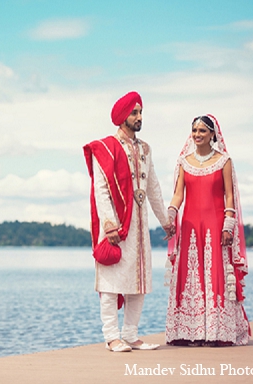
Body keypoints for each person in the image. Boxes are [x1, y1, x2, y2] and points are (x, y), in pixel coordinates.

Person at [83, 91, 174, 352]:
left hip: (139, 225)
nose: (139, 117)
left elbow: (153, 187)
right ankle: (112, 337)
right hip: (115, 226)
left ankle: (131, 335)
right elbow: (101, 189)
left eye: (140, 112)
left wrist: (165, 221)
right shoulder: (106, 148)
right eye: (134, 113)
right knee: (110, 284)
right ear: (122, 117)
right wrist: (109, 224)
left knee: (139, 283)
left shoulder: (145, 149)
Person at [165, 114, 250, 347]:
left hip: (215, 225)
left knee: (215, 275)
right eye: (194, 130)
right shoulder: (184, 161)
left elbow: (229, 196)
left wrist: (228, 226)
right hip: (191, 226)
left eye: (202, 131)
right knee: (190, 275)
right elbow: (178, 194)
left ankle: (218, 332)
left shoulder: (224, 161)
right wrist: (170, 217)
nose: (197, 135)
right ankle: (187, 332)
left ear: (213, 134)